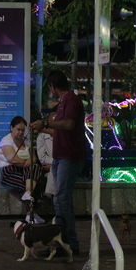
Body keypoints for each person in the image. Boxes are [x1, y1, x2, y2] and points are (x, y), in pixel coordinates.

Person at [30, 70, 85, 255]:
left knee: (62, 198)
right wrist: (43, 129)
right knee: (59, 200)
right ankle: (62, 242)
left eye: (50, 88)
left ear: (53, 86)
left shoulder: (71, 100)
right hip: (61, 157)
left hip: (69, 156)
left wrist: (45, 123)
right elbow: (60, 130)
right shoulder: (63, 103)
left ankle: (70, 243)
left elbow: (68, 124)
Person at [0, 116, 45, 223]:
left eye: (23, 130)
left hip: (23, 171)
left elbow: (34, 158)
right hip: (7, 172)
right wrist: (27, 163)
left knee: (35, 169)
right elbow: (12, 160)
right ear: (11, 128)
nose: (21, 132)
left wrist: (29, 162)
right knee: (34, 182)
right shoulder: (6, 140)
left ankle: (28, 195)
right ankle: (31, 213)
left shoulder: (26, 141)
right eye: (18, 129)